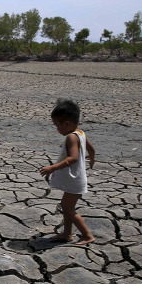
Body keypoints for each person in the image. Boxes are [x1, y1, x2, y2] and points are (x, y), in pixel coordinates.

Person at [40, 98, 96, 245]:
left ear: (67, 123)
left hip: (74, 180)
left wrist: (53, 167)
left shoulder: (71, 137)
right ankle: (67, 233)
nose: (57, 129)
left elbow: (73, 158)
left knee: (68, 208)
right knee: (66, 207)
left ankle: (87, 235)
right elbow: (91, 148)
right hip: (76, 178)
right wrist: (92, 158)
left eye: (57, 126)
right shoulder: (80, 133)